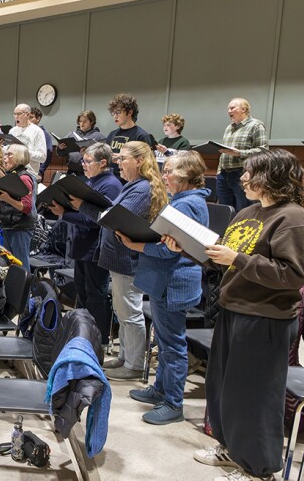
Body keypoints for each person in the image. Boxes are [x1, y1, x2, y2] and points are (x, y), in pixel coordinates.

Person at [188, 149, 304, 481]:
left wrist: (237, 259)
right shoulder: (248, 212)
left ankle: (258, 469)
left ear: (273, 177)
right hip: (234, 310)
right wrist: (192, 250)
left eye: (250, 173)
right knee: (224, 390)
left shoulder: (293, 219)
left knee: (256, 396)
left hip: (266, 318)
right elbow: (226, 259)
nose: (242, 178)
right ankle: (232, 449)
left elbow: (292, 275)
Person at [117, 151, 209, 425]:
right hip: (167, 281)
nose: (164, 176)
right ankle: (160, 389)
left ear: (187, 175)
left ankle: (173, 402)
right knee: (166, 341)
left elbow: (171, 252)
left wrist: (136, 244)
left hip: (172, 282)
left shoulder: (186, 205)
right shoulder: (185, 201)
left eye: (170, 172)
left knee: (172, 346)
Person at [73, 141, 167, 380]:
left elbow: (113, 218)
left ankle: (134, 364)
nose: (119, 164)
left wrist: (83, 207)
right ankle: (125, 356)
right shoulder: (132, 186)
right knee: (122, 311)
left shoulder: (141, 189)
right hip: (119, 259)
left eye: (123, 159)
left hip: (128, 259)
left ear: (139, 162)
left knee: (130, 313)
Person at [47, 143, 122, 347]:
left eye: (88, 162)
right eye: (83, 161)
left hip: (95, 248)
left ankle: (98, 340)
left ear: (103, 163)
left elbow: (96, 220)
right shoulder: (92, 181)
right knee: (82, 292)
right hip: (82, 247)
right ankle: (81, 333)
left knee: (95, 295)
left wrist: (66, 213)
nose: (84, 165)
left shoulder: (111, 185)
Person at [0, 144, 35, 270]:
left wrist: (6, 198)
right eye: (5, 154)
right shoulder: (11, 176)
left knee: (21, 265)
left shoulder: (24, 177)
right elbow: (10, 205)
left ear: (19, 157)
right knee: (10, 263)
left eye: (9, 154)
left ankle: (25, 290)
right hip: (9, 225)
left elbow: (26, 207)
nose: (5, 158)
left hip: (21, 227)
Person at [217, 97, 269, 213]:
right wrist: (219, 171)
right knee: (225, 211)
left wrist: (240, 153)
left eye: (232, 108)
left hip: (242, 173)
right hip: (224, 174)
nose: (229, 111)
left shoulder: (256, 125)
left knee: (244, 211)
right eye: (228, 109)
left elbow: (263, 150)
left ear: (244, 109)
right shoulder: (229, 128)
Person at [106, 93, 154, 163]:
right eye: (113, 113)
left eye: (118, 112)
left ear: (129, 112)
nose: (115, 116)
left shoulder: (142, 136)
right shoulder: (112, 134)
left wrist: (123, 158)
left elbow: (146, 163)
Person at [58, 110, 106, 176]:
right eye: (80, 121)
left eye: (85, 121)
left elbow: (104, 156)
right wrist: (60, 148)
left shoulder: (99, 136)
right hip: (71, 172)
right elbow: (61, 154)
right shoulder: (71, 135)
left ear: (91, 122)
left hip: (90, 173)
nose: (81, 124)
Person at [8, 103, 46, 175]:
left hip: (29, 173)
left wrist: (23, 152)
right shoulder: (12, 131)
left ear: (28, 115)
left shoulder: (37, 131)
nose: (16, 117)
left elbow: (42, 157)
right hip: (13, 171)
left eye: (19, 114)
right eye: (14, 114)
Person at [28, 106, 55, 181]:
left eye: (31, 117)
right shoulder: (25, 132)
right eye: (28, 117)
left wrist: (40, 171)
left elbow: (48, 154)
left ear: (38, 119)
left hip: (35, 172)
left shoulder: (44, 134)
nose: (28, 120)